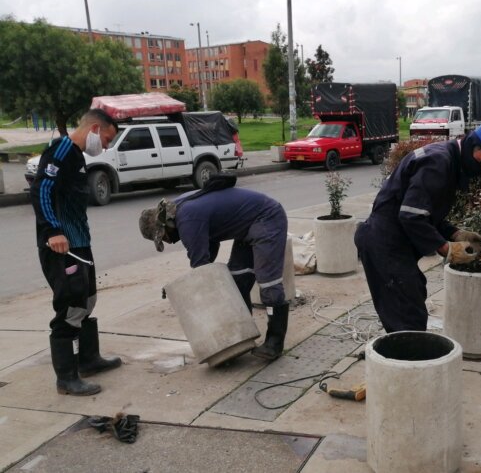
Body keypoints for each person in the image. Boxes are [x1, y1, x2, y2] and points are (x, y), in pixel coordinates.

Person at [355, 121, 481, 332]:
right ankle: (407, 360)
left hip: (393, 241)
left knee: (412, 299)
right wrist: (447, 249)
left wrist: (456, 234)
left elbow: (425, 214)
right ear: (474, 145)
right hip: (385, 242)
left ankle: (407, 356)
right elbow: (411, 216)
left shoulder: (447, 160)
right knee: (408, 318)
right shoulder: (439, 163)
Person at [139, 182, 290, 361]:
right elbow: (211, 246)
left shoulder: (187, 220)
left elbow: (202, 269)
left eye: (164, 237)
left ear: (165, 225)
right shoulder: (179, 210)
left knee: (268, 284)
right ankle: (242, 336)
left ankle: (275, 342)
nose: (170, 242)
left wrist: (186, 291)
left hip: (267, 218)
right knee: (238, 281)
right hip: (248, 227)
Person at [30, 108, 121, 396]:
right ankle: (66, 379)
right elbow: (41, 189)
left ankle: (88, 360)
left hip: (80, 243)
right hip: (61, 244)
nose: (105, 147)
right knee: (70, 307)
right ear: (94, 128)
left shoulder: (77, 156)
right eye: (106, 140)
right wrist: (52, 231)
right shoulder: (61, 150)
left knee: (87, 299)